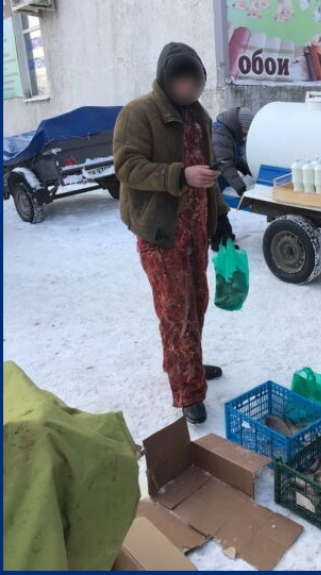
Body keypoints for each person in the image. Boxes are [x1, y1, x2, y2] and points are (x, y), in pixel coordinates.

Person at [113, 42, 235, 425]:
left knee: (195, 306)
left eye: (193, 80)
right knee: (175, 314)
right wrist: (179, 175)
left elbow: (208, 175)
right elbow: (127, 167)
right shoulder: (139, 113)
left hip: (195, 232)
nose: (187, 88)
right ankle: (187, 392)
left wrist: (221, 218)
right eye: (180, 80)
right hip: (161, 234)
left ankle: (190, 366)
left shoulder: (198, 116)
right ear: (166, 79)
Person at [212, 106, 254, 196]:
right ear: (239, 125)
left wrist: (249, 172)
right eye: (247, 129)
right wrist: (240, 188)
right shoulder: (220, 134)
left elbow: (236, 158)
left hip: (223, 178)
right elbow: (224, 163)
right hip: (213, 181)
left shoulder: (230, 132)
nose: (247, 133)